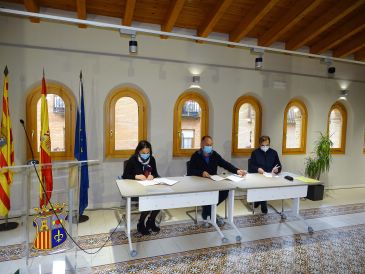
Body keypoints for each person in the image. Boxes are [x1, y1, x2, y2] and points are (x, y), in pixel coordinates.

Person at [188, 135, 247, 224]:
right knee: (208, 195)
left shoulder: (214, 154)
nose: (209, 147)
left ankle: (207, 211)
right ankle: (210, 212)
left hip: (213, 182)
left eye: (211, 145)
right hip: (200, 183)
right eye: (207, 144)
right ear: (202, 144)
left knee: (225, 190)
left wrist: (237, 170)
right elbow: (190, 170)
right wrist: (201, 173)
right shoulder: (195, 156)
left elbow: (225, 164)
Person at [122, 140, 161, 235]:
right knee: (147, 200)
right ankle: (141, 223)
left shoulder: (152, 159)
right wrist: (136, 176)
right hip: (136, 189)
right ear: (138, 151)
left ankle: (151, 221)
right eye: (143, 153)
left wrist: (153, 176)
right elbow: (125, 176)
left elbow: (155, 173)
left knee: (160, 199)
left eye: (148, 153)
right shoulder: (133, 160)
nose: (146, 155)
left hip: (149, 187)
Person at [248, 135, 282, 214]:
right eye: (263, 145)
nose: (265, 147)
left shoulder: (274, 153)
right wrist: (258, 169)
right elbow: (251, 166)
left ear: (269, 144)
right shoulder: (255, 153)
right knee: (263, 186)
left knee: (266, 186)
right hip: (258, 176)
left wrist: (277, 170)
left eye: (267, 145)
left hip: (271, 175)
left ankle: (259, 200)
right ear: (259, 144)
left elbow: (279, 165)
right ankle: (263, 205)